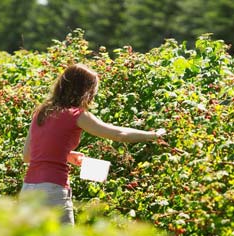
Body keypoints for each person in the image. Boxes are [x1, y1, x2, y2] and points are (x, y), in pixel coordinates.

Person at [21, 63, 166, 226]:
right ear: (84, 91)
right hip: (52, 190)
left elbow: (27, 156)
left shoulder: (41, 112)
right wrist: (153, 135)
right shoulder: (76, 114)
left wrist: (66, 155)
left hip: (29, 188)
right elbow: (119, 134)